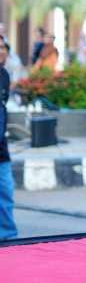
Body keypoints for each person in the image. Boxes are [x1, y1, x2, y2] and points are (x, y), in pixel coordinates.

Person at [0, 38, 18, 240]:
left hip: (2, 148)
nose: (1, 51)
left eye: (3, 47)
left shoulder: (4, 75)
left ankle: (8, 237)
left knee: (6, 192)